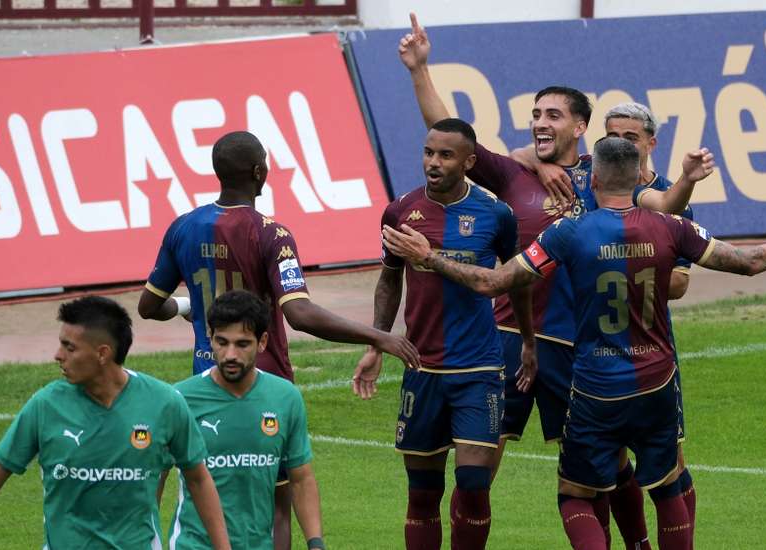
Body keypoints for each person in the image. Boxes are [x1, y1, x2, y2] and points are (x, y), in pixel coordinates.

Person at [381, 137, 766, 550]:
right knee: (666, 487)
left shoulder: (568, 233)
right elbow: (751, 262)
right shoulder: (673, 227)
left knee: (577, 495)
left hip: (594, 386)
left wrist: (429, 257)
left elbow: (493, 282)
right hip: (657, 382)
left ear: (595, 181)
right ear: (639, 181)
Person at [398, 13, 714, 548]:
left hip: (580, 348)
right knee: (477, 473)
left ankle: (635, 543)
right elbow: (450, 134)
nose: (540, 123)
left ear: (579, 126)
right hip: (505, 341)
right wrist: (419, 70)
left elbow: (664, 206)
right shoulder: (511, 173)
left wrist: (683, 179)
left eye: (552, 115)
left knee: (608, 472)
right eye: (535, 114)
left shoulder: (605, 176)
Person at [138, 130, 420, 550]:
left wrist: (189, 307)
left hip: (205, 384)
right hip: (263, 382)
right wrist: (379, 336)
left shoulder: (183, 227)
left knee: (203, 496)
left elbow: (148, 305)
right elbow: (299, 313)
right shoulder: (271, 233)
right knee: (274, 506)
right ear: (259, 173)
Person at [0, 296, 230, 550]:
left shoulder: (164, 403)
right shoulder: (46, 405)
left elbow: (198, 478)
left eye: (69, 347)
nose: (57, 355)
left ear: (102, 354)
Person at [353, 117, 533, 550]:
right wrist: (376, 343)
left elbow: (516, 280)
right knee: (423, 496)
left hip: (480, 369)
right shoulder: (400, 211)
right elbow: (389, 279)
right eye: (429, 152)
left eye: (446, 155)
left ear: (469, 161)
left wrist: (528, 340)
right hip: (423, 368)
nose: (433, 162)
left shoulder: (497, 214)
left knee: (473, 488)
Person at [604, 101, 700, 538]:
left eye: (631, 137)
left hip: (651, 345)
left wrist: (611, 271)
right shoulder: (590, 185)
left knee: (668, 461)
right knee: (604, 459)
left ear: (650, 142)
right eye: (613, 136)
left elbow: (678, 284)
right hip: (592, 347)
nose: (620, 144)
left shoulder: (671, 198)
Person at [163, 290, 325, 550]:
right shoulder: (180, 399)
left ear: (262, 342)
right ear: (210, 339)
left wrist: (315, 543)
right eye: (222, 342)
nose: (230, 354)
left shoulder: (285, 398)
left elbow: (301, 478)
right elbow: (154, 478)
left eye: (242, 344)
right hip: (193, 545)